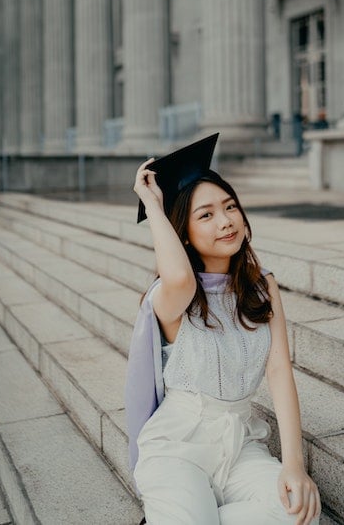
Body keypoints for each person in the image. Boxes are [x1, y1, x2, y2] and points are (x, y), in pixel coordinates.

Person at [125, 134, 321, 525]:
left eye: (230, 206)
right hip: (178, 447)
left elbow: (279, 371)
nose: (226, 220)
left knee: (298, 515)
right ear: (183, 233)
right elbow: (180, 275)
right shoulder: (171, 295)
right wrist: (153, 205)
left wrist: (294, 466)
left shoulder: (262, 285)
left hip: (240, 444)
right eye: (206, 215)